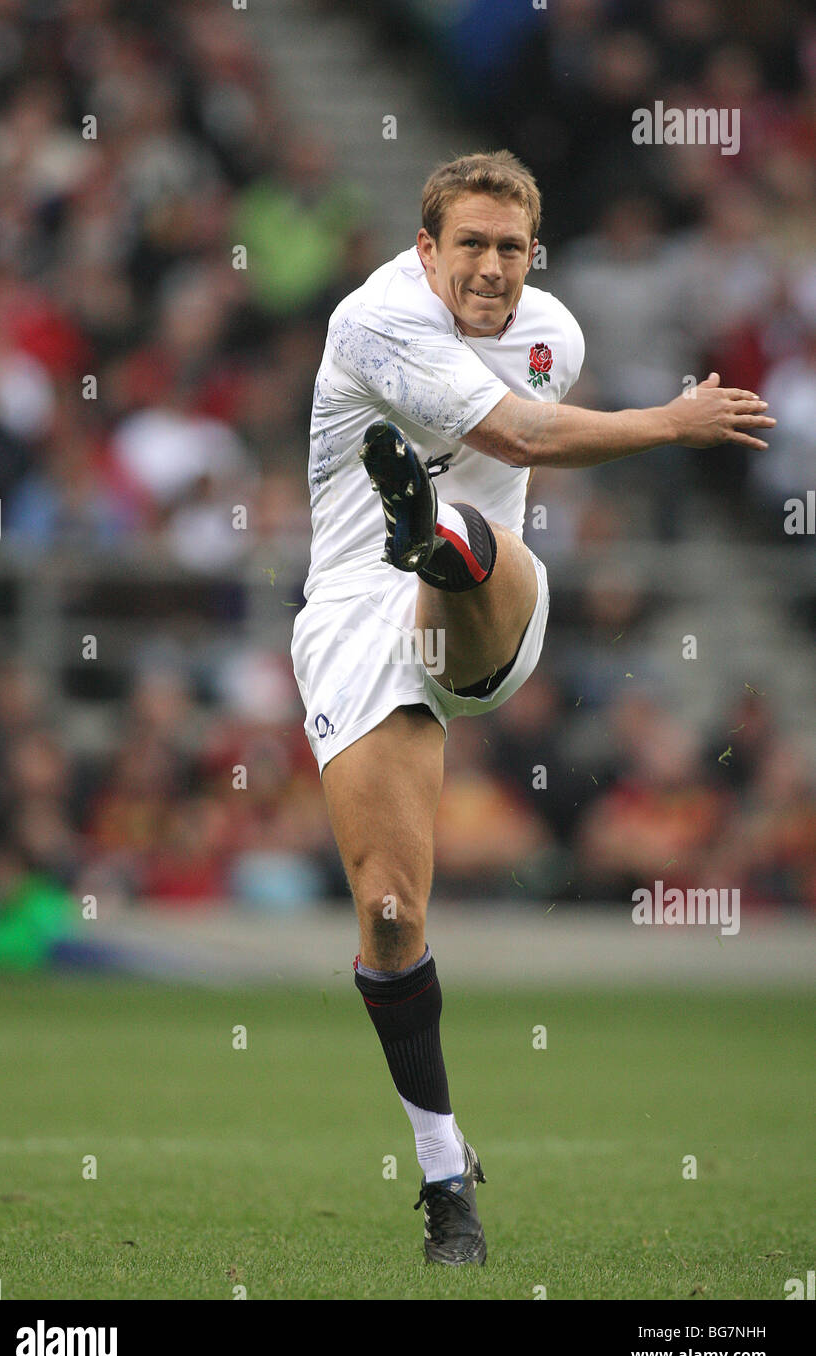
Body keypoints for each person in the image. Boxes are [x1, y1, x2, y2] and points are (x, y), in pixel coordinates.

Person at [291, 150, 774, 1266]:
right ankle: (446, 1175)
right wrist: (672, 420)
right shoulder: (375, 321)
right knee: (391, 921)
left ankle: (445, 539)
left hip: (491, 604)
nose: (493, 268)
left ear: (532, 255)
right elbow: (523, 438)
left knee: (473, 540)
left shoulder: (554, 333)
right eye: (470, 244)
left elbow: (520, 436)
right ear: (425, 248)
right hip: (358, 617)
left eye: (511, 248)